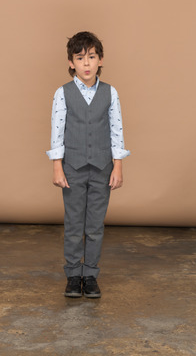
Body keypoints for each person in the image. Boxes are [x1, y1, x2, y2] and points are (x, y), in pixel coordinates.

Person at [46, 31, 130, 298]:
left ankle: (90, 275)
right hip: (72, 167)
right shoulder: (63, 94)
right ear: (71, 62)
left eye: (91, 57)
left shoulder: (110, 93)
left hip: (102, 168)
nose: (86, 63)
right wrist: (57, 165)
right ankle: (73, 275)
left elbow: (116, 131)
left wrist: (118, 165)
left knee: (94, 226)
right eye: (80, 58)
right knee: (73, 225)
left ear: (100, 60)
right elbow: (57, 131)